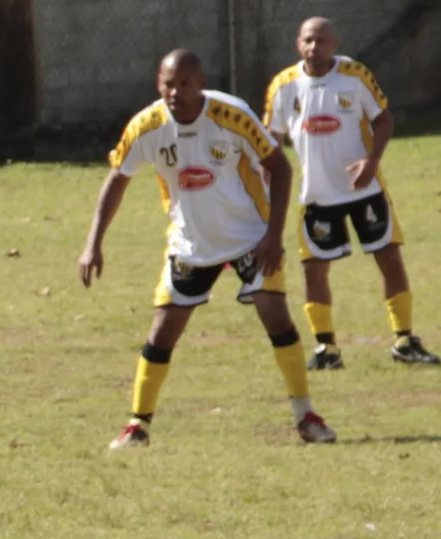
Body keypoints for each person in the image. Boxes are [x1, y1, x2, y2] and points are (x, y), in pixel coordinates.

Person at [81, 49, 336, 450]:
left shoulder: (231, 116)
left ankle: (306, 416)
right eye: (168, 83)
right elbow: (117, 179)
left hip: (250, 234)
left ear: (200, 83)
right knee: (162, 331)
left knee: (275, 316)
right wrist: (93, 243)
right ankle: (137, 425)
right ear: (157, 84)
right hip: (191, 241)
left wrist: (272, 236)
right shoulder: (147, 126)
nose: (175, 92)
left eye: (184, 83)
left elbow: (280, 167)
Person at [262, 17, 438, 368]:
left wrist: (372, 162)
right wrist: (267, 184)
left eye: (322, 41)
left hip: (365, 190)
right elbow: (271, 140)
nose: (315, 48)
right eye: (309, 41)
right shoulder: (284, 86)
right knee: (313, 269)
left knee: (389, 257)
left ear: (335, 43)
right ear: (299, 43)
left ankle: (404, 340)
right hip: (317, 196)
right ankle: (326, 349)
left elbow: (383, 118)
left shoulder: (355, 76)